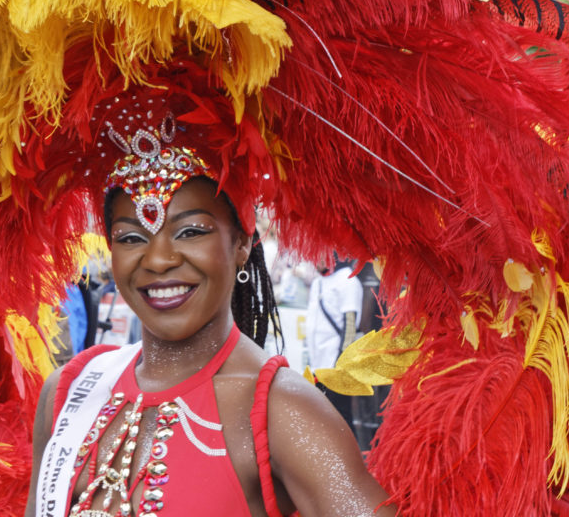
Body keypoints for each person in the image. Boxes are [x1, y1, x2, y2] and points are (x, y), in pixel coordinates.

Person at [24, 118, 396, 517]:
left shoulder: (281, 412)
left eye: (190, 232)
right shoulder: (69, 389)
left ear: (241, 243)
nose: (158, 260)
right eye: (131, 238)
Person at [305, 256, 363, 428]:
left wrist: (341, 362)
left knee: (340, 416)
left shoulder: (347, 279)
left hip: (335, 362)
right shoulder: (318, 282)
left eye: (320, 253)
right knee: (320, 416)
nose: (315, 258)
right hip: (317, 363)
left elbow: (350, 322)